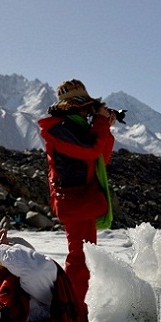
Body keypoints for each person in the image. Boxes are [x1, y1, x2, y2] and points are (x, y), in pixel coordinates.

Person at [38, 79, 117, 306]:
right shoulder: (59, 129)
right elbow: (91, 152)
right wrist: (100, 122)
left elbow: (101, 158)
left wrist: (105, 127)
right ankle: (72, 307)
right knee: (79, 258)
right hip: (75, 200)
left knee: (82, 256)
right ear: (75, 106)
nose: (88, 113)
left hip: (79, 200)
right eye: (86, 108)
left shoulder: (73, 128)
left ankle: (74, 305)